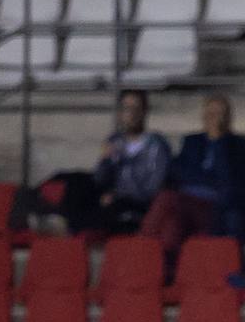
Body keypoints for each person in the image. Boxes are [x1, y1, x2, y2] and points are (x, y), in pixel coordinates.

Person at [39, 88, 170, 236]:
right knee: (78, 182)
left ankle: (72, 229)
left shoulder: (157, 146)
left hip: (136, 203)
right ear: (121, 112)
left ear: (144, 111)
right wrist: (105, 160)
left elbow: (152, 189)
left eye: (136, 108)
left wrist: (117, 194)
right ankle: (62, 220)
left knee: (110, 208)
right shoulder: (115, 140)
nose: (131, 114)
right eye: (127, 108)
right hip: (110, 197)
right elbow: (100, 179)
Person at [142, 94, 245, 259]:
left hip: (214, 206)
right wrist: (207, 179)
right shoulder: (192, 141)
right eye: (210, 114)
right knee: (172, 224)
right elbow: (177, 171)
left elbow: (226, 180)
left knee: (166, 198)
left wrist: (219, 142)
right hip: (187, 202)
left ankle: (140, 245)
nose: (213, 118)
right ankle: (165, 270)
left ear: (228, 118)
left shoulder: (239, 146)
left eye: (219, 114)